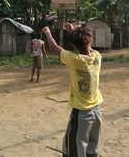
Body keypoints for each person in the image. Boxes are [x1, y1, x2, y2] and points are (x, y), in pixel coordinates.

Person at [41, 23, 103, 157]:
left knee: (73, 149)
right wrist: (75, 29)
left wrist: (47, 32)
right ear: (90, 39)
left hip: (81, 114)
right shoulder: (97, 56)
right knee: (92, 148)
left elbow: (54, 47)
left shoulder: (75, 59)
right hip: (97, 111)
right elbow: (87, 43)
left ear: (74, 46)